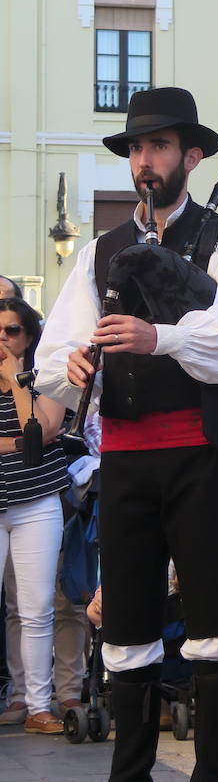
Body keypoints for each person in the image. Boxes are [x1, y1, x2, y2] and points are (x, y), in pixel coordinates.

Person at [35, 86, 218, 782]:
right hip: (127, 463)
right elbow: (52, 350)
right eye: (137, 147)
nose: (145, 160)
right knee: (127, 630)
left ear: (191, 156)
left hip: (200, 454)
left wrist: (159, 337)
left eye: (160, 146)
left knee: (210, 627)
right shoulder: (104, 250)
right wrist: (69, 363)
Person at [0, 298, 71, 735]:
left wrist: (15, 380)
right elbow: (30, 441)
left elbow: (40, 432)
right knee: (11, 610)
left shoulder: (44, 376)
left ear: (28, 335)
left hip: (36, 502)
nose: (3, 339)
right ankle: (18, 696)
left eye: (12, 331)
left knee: (37, 608)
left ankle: (38, 705)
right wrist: (19, 443)